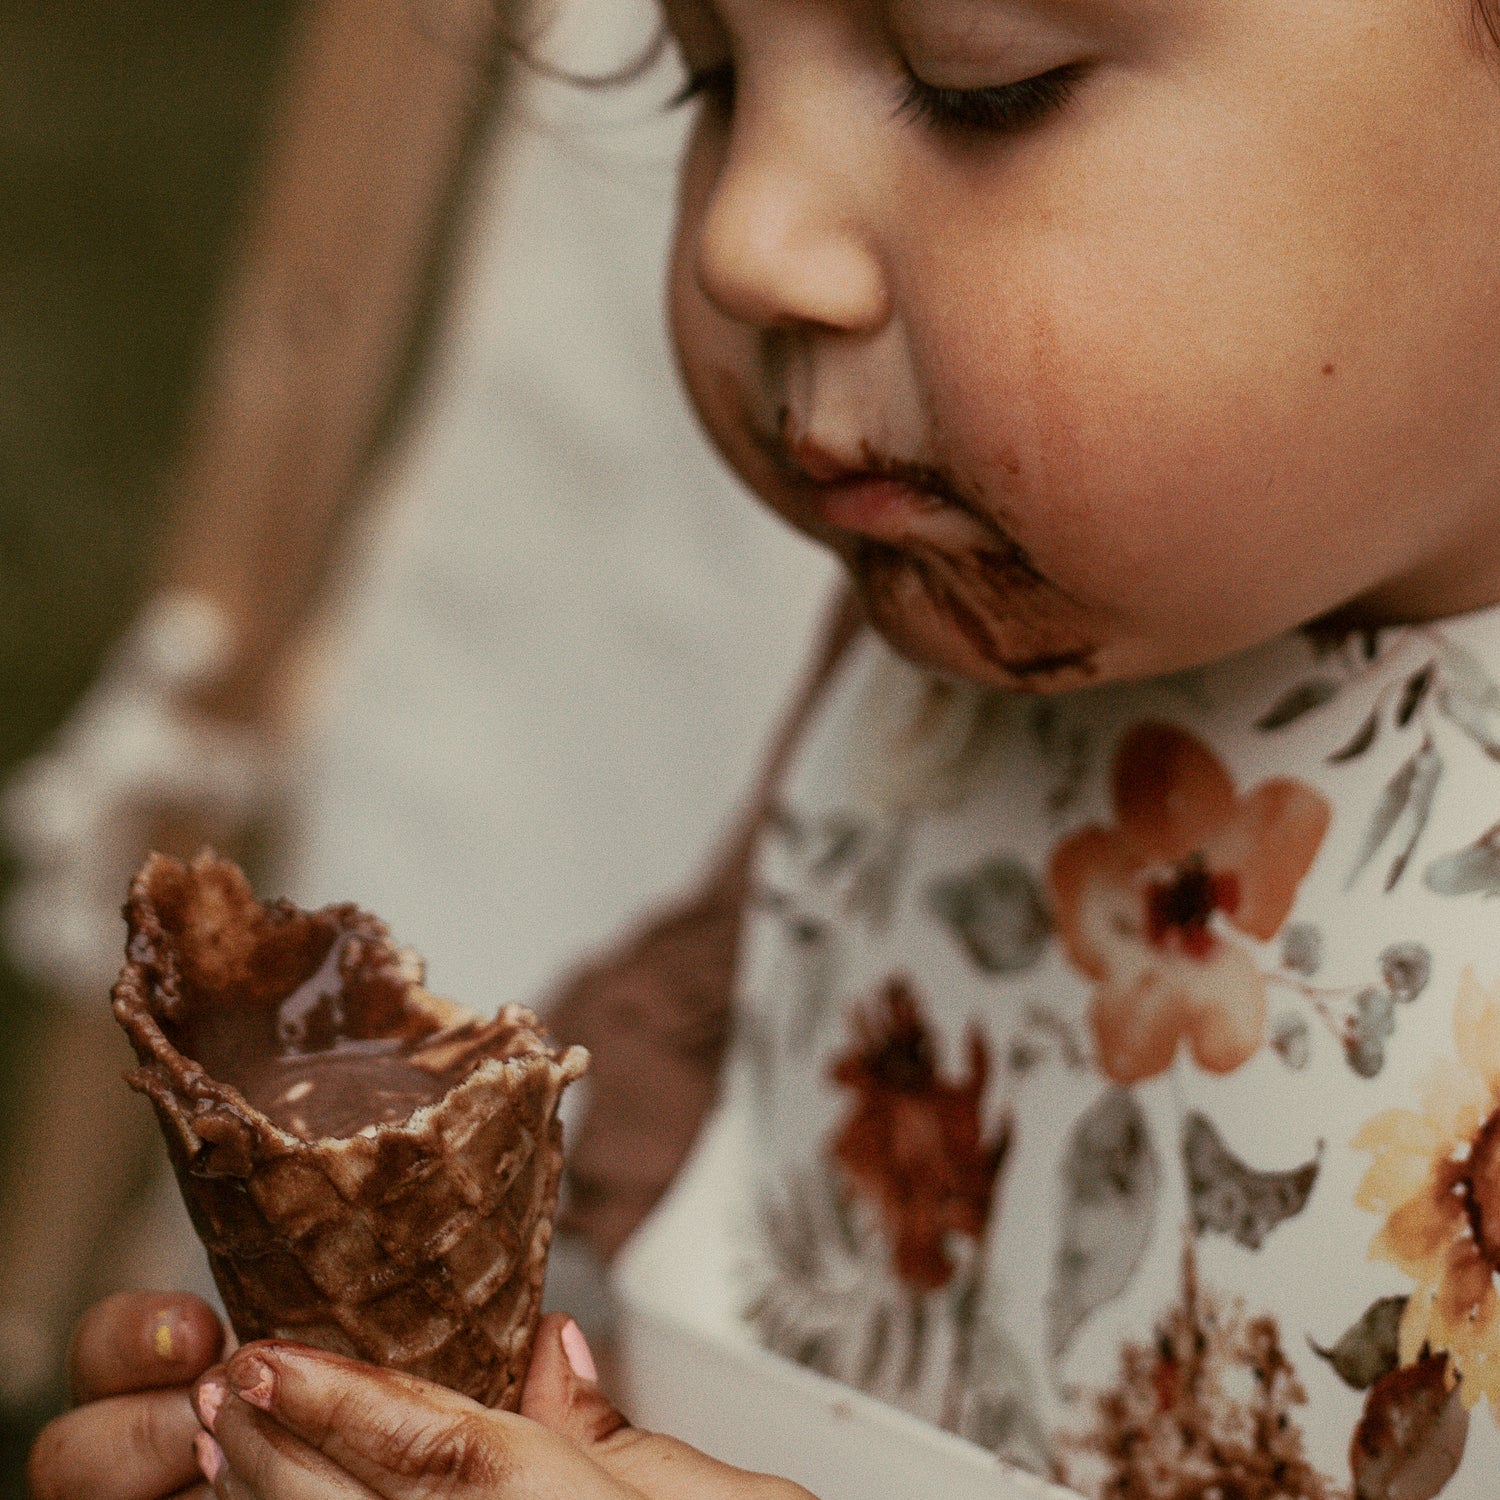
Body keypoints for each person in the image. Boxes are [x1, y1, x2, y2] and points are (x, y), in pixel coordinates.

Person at [28, 0, 1500, 1495]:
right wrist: (408, 1427)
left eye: (980, 84)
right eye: (711, 81)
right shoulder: (950, 637)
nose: (745, 238)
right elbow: (714, 1127)